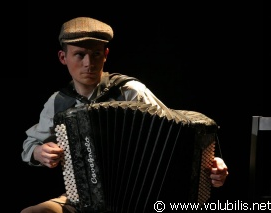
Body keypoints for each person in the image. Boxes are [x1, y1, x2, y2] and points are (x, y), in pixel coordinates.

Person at [21, 17, 229, 213]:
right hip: (83, 199)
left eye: (96, 54)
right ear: (63, 57)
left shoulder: (130, 91)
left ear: (106, 54)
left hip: (144, 198)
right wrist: (38, 152)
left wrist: (210, 164)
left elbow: (178, 134)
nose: (88, 63)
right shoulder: (58, 102)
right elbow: (30, 145)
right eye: (80, 54)